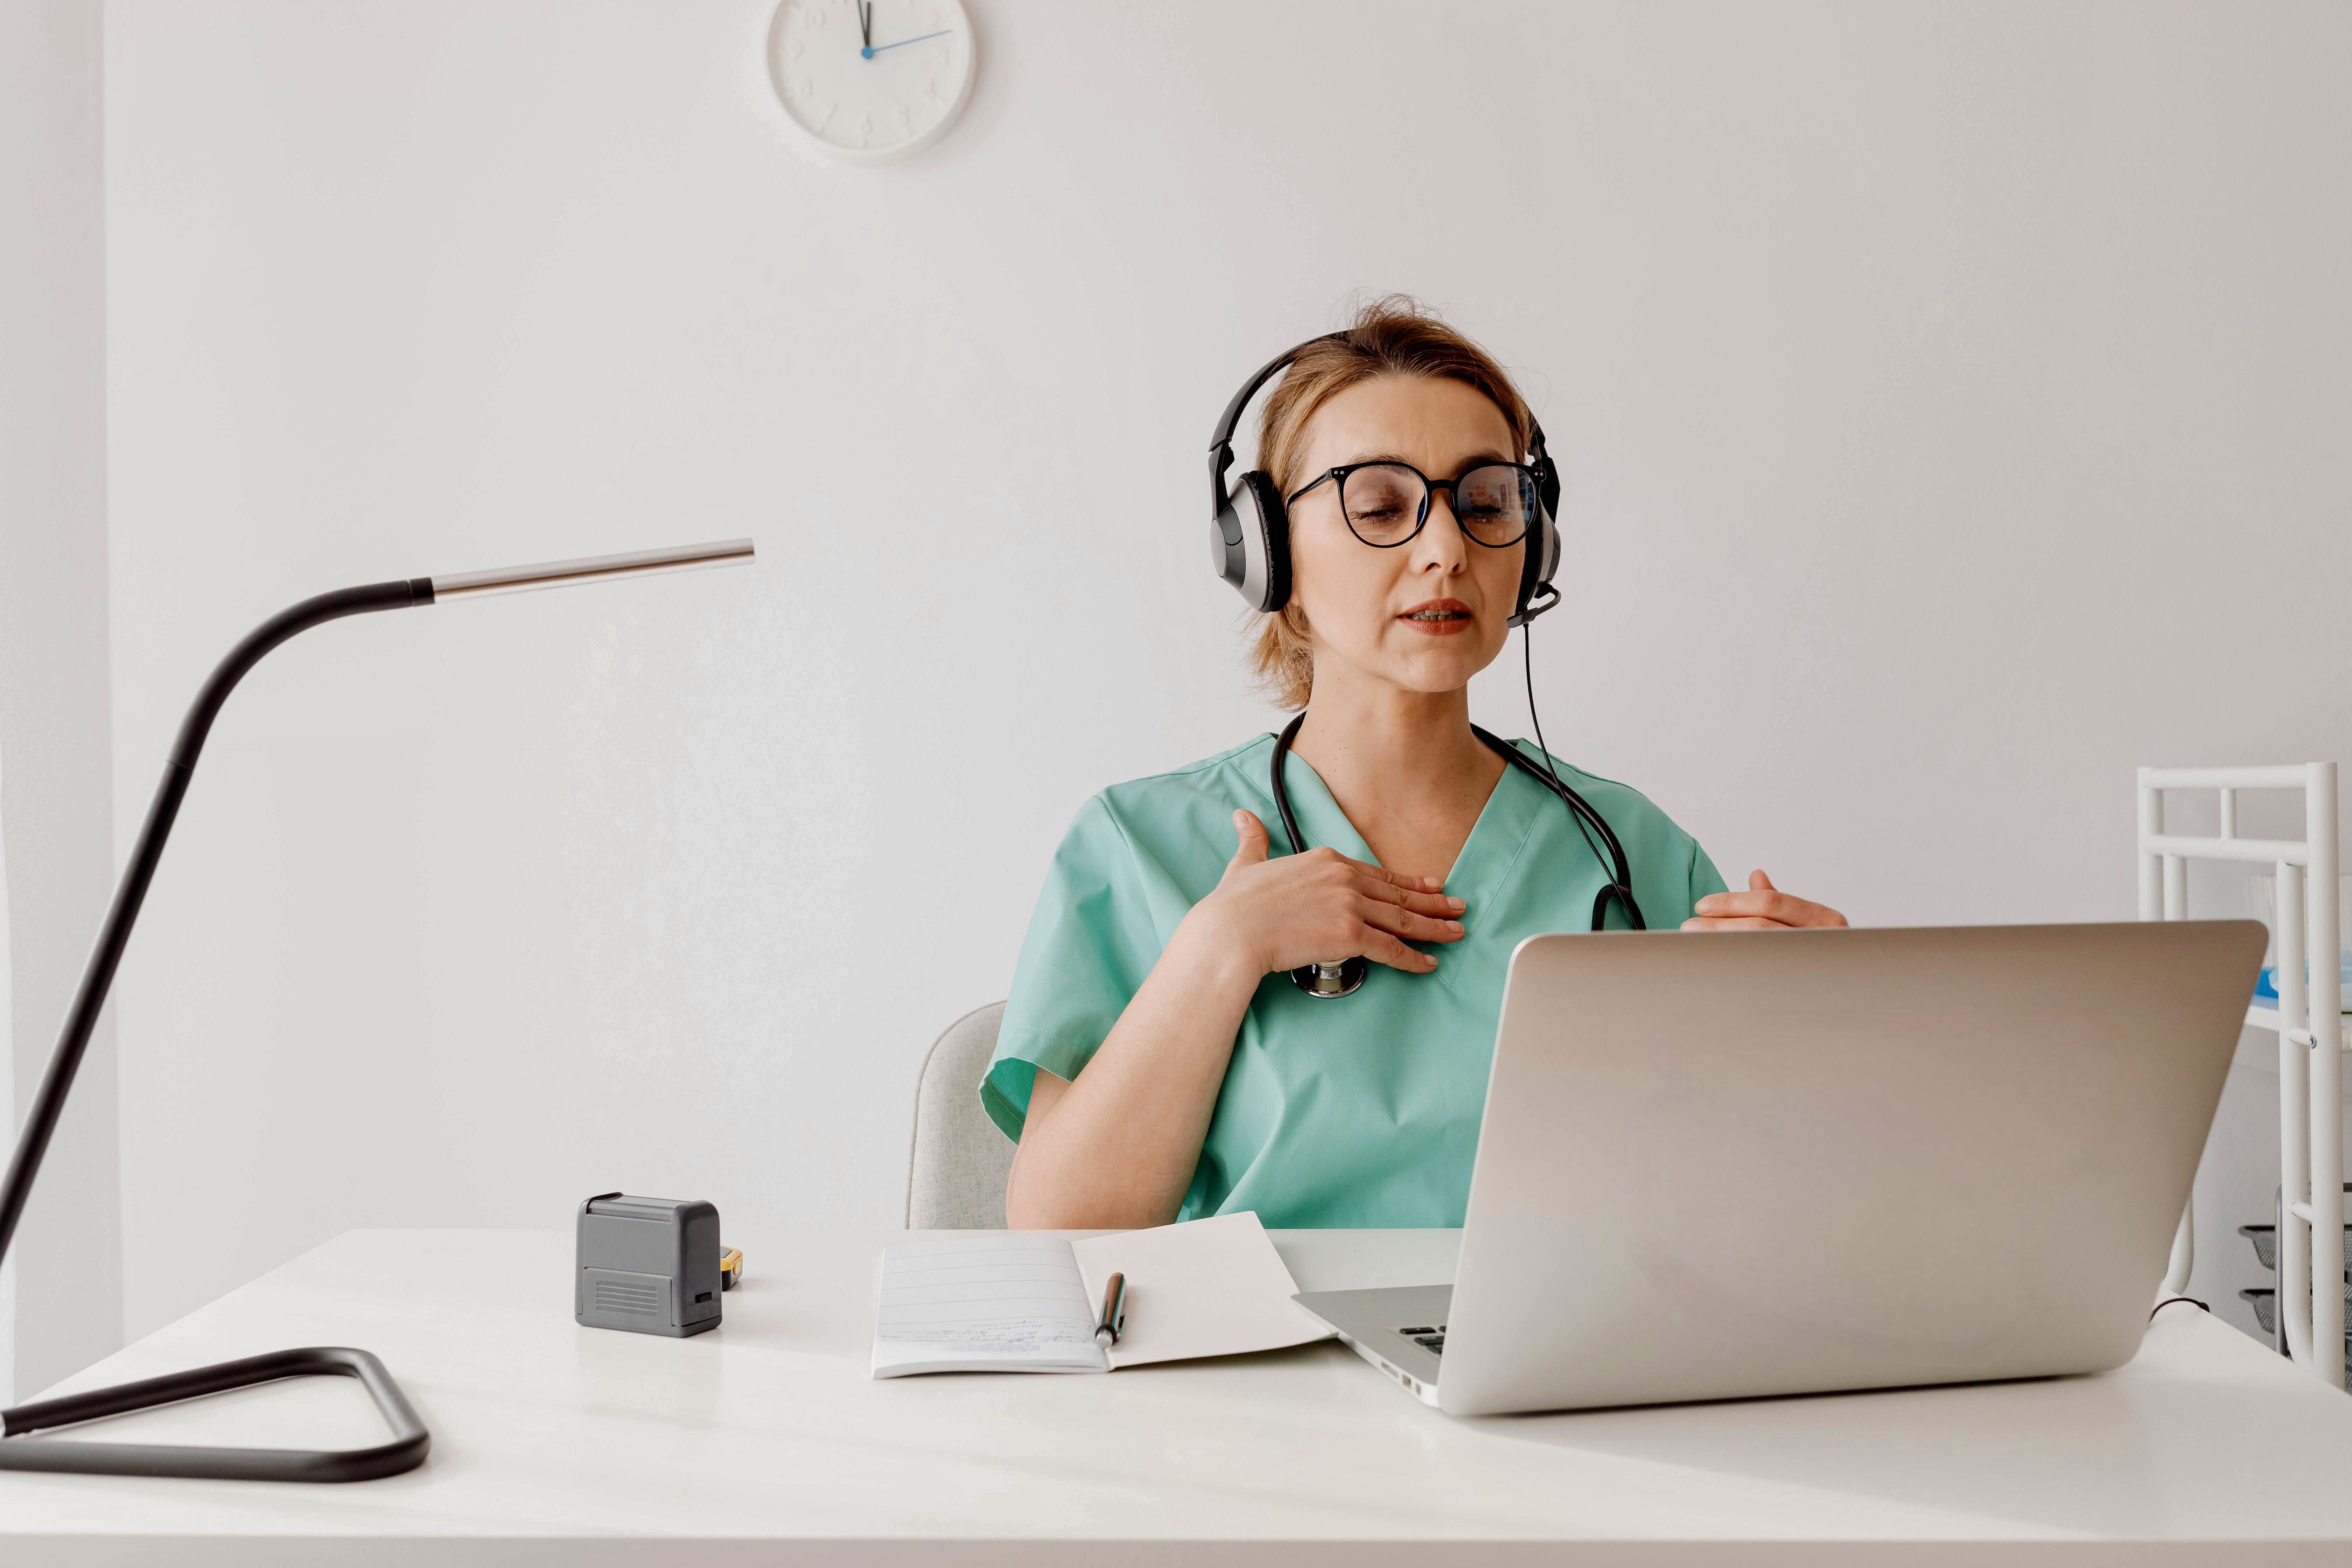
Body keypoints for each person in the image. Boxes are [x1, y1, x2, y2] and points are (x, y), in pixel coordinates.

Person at [986, 298, 1846, 1230]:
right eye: (1381, 506)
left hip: (1549, 1370)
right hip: (1243, 1372)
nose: (1445, 551)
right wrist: (1221, 950)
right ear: (1267, 551)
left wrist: (1811, 1042)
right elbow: (1059, 1236)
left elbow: (1745, 1221)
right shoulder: (1139, 846)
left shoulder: (1632, 853)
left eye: (1485, 504)